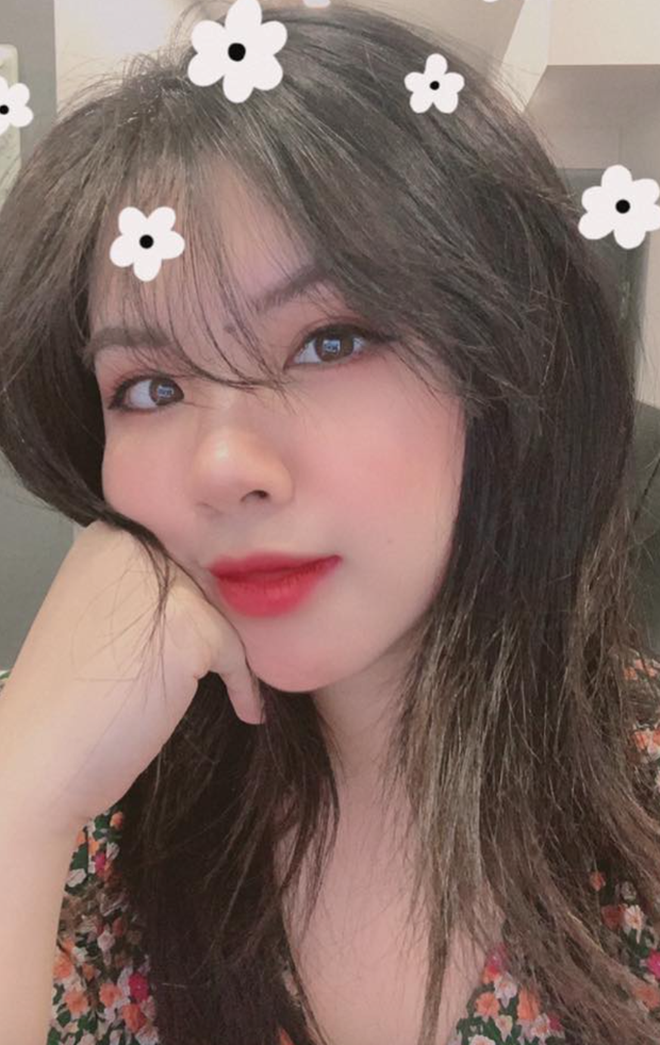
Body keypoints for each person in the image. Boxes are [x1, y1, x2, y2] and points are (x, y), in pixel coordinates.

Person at [0, 2, 659, 1044]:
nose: (224, 468)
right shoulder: (74, 791)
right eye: (151, 387)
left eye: (331, 342)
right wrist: (18, 810)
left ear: (500, 370)